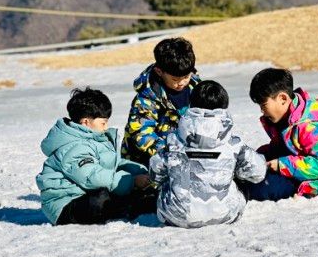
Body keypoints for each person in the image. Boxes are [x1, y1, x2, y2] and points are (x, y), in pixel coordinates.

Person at [150, 80, 266, 228]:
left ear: (191, 105)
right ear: (224, 108)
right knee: (240, 182)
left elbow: (155, 172)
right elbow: (258, 173)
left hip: (176, 216)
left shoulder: (174, 140)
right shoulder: (233, 143)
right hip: (225, 214)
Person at [36, 87, 155, 225]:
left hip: (84, 193)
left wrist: (138, 170)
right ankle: (133, 207)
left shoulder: (94, 138)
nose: (106, 127)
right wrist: (132, 181)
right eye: (103, 123)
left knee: (119, 191)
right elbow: (92, 176)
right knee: (103, 198)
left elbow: (113, 163)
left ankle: (145, 202)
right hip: (65, 205)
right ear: (86, 122)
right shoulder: (73, 146)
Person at [245, 67, 318, 201]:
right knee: (255, 161)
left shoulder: (309, 127)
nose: (262, 111)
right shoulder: (283, 119)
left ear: (282, 98)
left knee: (263, 188)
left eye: (263, 105)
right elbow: (282, 147)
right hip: (299, 166)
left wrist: (282, 164)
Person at [121, 37, 200, 165]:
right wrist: (170, 152)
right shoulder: (147, 97)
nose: (182, 83)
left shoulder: (196, 88)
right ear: (159, 71)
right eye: (175, 79)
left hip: (185, 155)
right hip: (148, 160)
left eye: (186, 76)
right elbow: (141, 133)